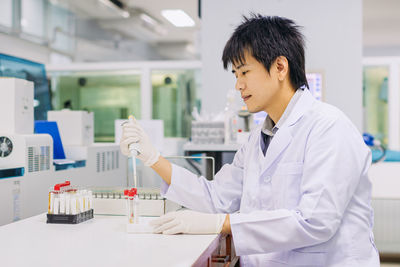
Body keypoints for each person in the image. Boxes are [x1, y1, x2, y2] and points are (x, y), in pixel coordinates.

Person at [120, 14, 379, 267]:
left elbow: (315, 221)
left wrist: (223, 224)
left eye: (244, 72)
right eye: (235, 74)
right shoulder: (257, 139)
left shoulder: (329, 128)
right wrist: (152, 158)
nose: (238, 85)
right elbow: (217, 198)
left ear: (280, 67)